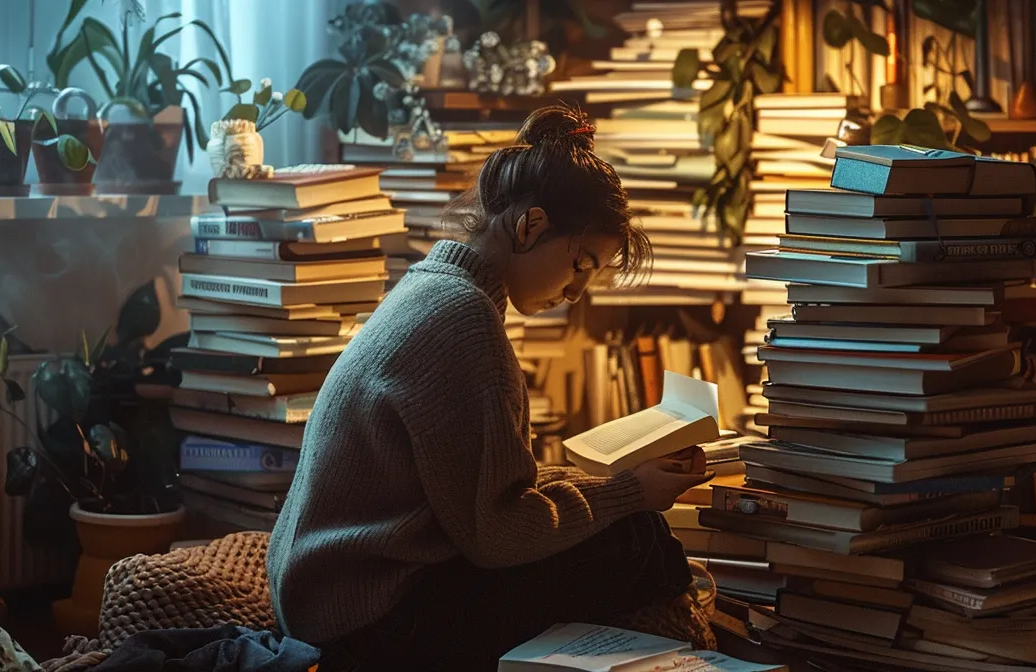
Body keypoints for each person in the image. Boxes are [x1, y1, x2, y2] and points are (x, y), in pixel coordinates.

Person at [267, 105, 713, 670]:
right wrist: (628, 493)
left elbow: (474, 491)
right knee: (636, 538)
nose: (577, 292)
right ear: (531, 225)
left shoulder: (431, 284)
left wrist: (608, 482)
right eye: (580, 263)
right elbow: (498, 534)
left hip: (323, 597)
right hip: (370, 621)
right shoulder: (466, 323)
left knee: (620, 525)